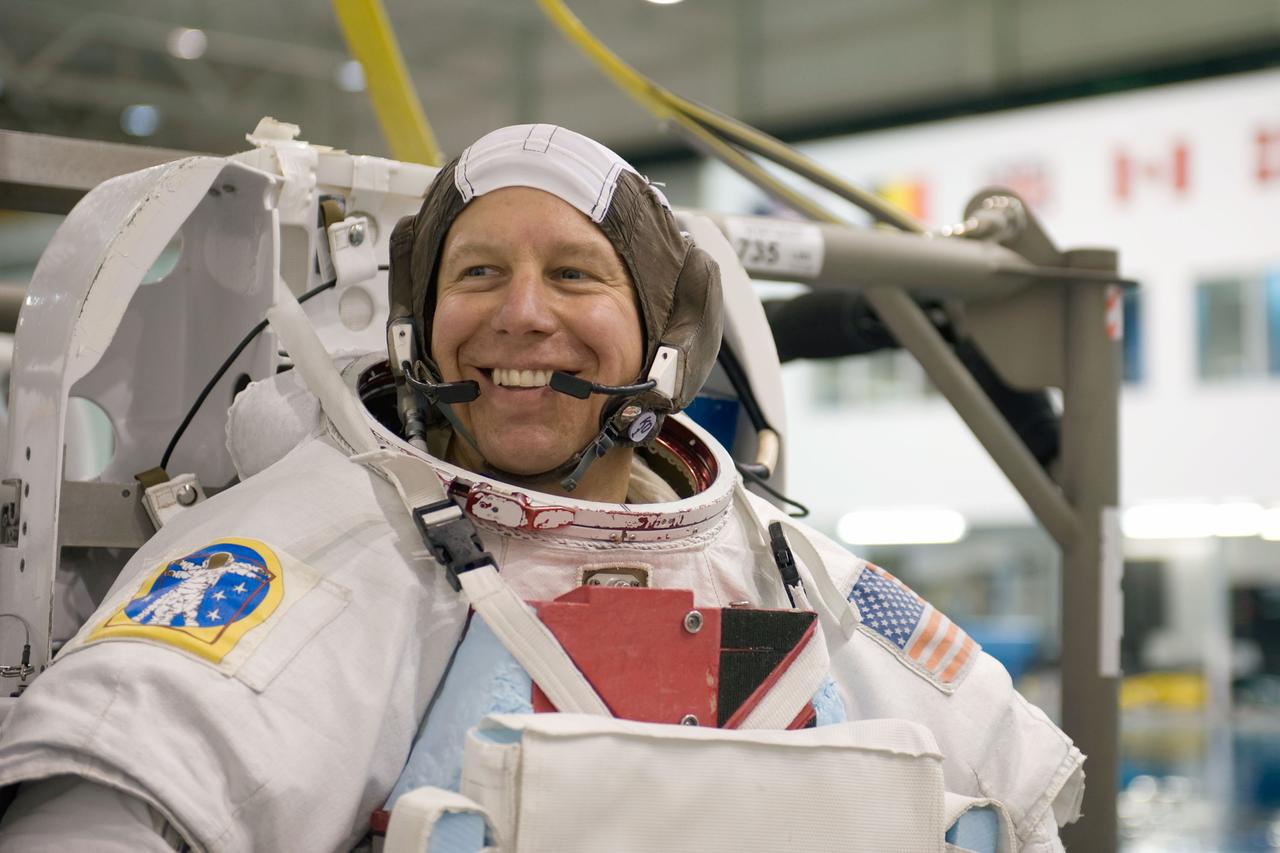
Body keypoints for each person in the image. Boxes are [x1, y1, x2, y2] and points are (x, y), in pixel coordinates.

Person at [0, 125, 1083, 851]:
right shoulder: (308, 554)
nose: (522, 313)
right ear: (419, 327)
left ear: (662, 337)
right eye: (478, 273)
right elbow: (97, 806)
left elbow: (1018, 795)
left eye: (573, 273)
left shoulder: (779, 564)